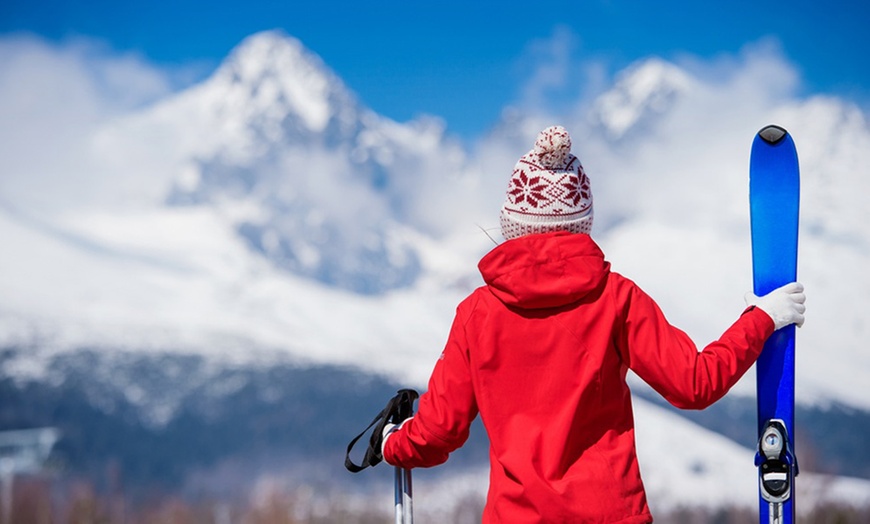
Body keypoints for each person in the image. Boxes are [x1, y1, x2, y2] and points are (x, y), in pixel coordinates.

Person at [381, 125, 806, 523]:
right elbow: (694, 384)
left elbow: (438, 432)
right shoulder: (616, 298)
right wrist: (761, 319)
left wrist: (392, 441)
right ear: (582, 223)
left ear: (512, 224)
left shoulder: (477, 313)